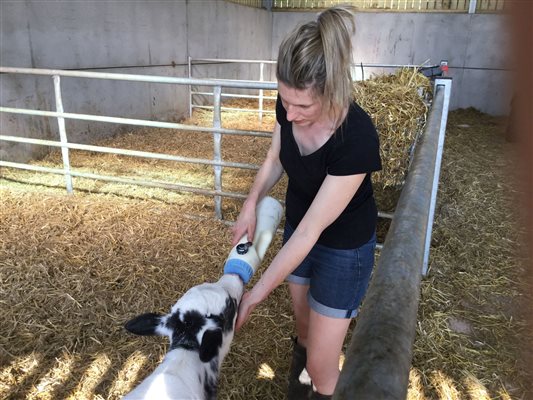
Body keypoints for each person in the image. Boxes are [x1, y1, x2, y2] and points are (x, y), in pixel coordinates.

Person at [231, 6, 381, 399]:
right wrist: (250, 204)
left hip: (343, 247)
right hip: (299, 223)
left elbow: (315, 231)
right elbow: (274, 159)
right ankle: (299, 391)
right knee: (303, 329)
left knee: (322, 364)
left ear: (331, 91)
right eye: (285, 101)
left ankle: (320, 386)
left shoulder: (356, 138)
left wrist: (253, 295)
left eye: (303, 107)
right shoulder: (289, 104)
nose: (289, 114)